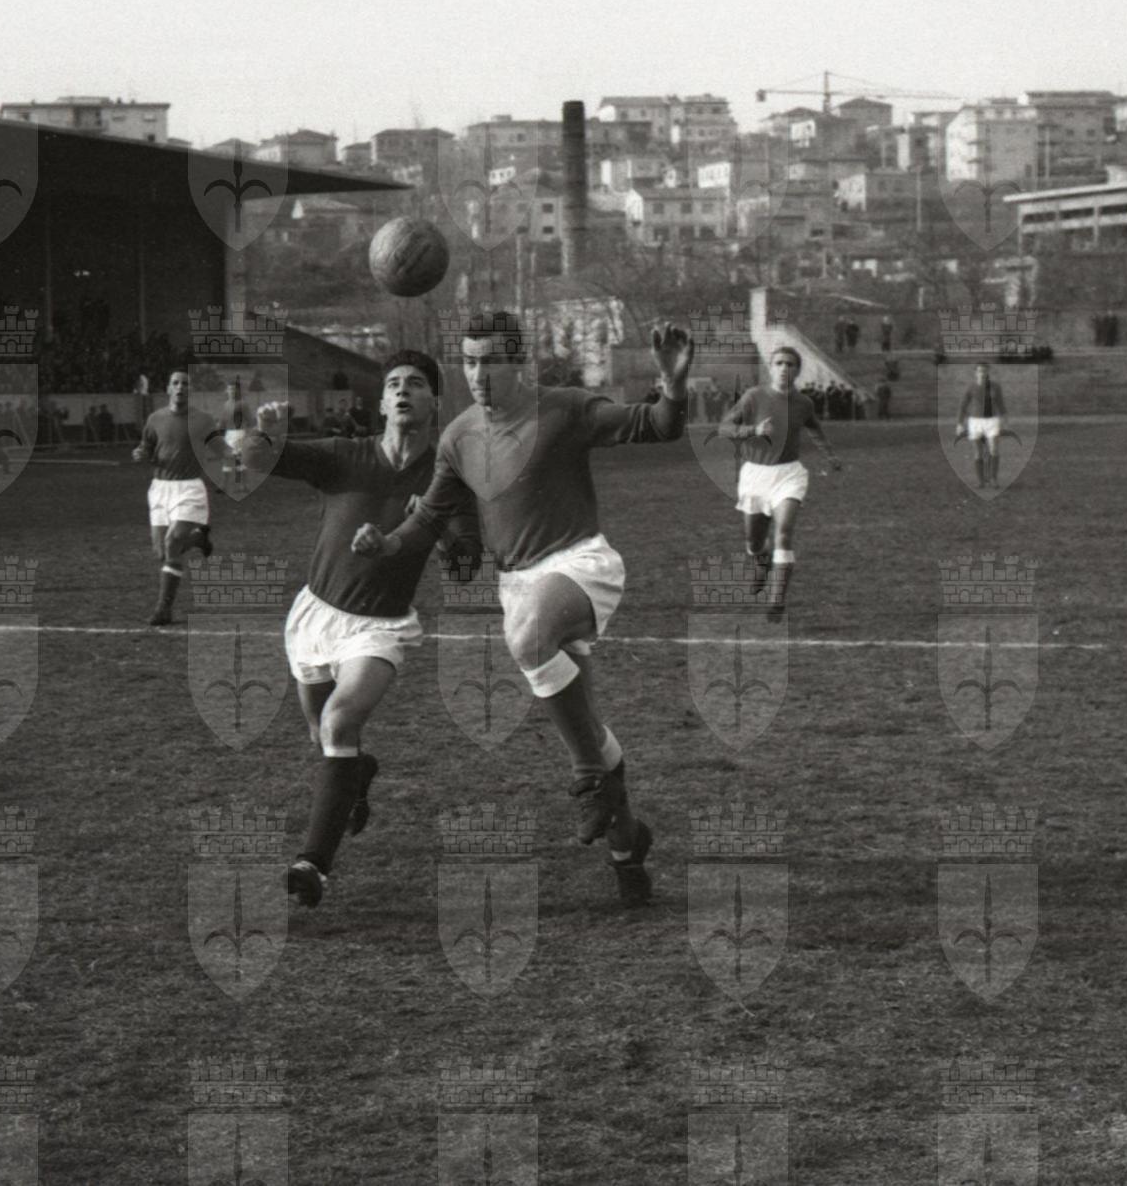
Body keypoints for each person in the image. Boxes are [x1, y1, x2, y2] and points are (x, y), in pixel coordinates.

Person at [353, 312, 694, 906]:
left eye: (490, 361)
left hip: (580, 565)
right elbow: (429, 516)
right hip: (518, 584)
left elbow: (658, 426)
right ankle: (627, 848)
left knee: (529, 640)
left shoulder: (565, 408)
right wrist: (387, 544)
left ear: (520, 363)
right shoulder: (459, 437)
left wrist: (673, 382)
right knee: (585, 726)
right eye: (469, 361)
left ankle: (589, 781)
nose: (478, 374)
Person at [237, 351, 476, 909]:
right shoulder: (346, 455)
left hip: (381, 625)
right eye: (393, 384)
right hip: (315, 615)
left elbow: (466, 568)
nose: (402, 391)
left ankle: (312, 865)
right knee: (321, 736)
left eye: (415, 384)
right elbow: (256, 460)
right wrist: (263, 432)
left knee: (339, 721)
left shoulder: (446, 479)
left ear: (435, 403)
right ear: (382, 403)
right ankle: (356, 773)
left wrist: (436, 527)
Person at [717, 346, 842, 621]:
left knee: (783, 533)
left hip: (789, 475)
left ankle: (777, 602)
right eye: (779, 363)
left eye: (790, 364)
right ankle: (761, 563)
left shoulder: (804, 403)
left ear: (797, 370)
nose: (784, 368)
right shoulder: (753, 397)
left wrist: (830, 455)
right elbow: (724, 428)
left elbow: (815, 428)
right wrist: (753, 430)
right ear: (770, 368)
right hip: (755, 475)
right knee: (754, 541)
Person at [132, 369, 216, 625]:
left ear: (191, 390)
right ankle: (197, 539)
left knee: (172, 543)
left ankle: (163, 609)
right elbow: (146, 447)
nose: (180, 387)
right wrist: (140, 453)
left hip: (189, 488)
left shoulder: (203, 420)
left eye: (185, 383)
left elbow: (219, 447)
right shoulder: (155, 418)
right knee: (162, 552)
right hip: (160, 489)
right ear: (168, 389)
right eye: (175, 383)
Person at [955, 361, 1007, 488]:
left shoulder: (995, 386)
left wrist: (1004, 419)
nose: (982, 373)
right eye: (979, 371)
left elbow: (1000, 404)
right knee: (978, 452)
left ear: (988, 372)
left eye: (984, 371)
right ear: (975, 373)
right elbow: (963, 406)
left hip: (992, 421)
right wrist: (960, 423)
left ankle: (993, 479)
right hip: (975, 422)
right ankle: (981, 481)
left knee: (994, 449)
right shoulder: (970, 387)